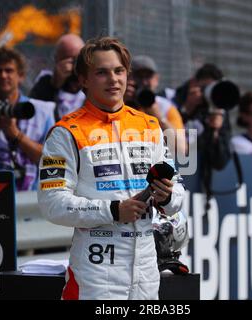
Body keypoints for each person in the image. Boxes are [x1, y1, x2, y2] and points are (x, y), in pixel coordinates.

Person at [37, 37, 185, 300]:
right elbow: (52, 203)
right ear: (83, 79)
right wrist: (114, 210)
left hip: (146, 271)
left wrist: (168, 196)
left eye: (119, 71)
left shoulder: (149, 126)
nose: (113, 79)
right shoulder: (65, 132)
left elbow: (178, 193)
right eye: (102, 73)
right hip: (95, 275)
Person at [0, 47, 55, 191]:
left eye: (9, 70)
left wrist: (16, 134)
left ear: (21, 76)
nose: (3, 75)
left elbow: (52, 160)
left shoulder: (41, 111)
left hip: (31, 200)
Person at [124, 55, 186, 156]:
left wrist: (159, 117)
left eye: (148, 77)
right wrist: (121, 102)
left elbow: (181, 150)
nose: (143, 82)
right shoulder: (116, 104)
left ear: (156, 79)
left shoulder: (165, 107)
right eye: (138, 76)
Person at [30, 34, 85, 120]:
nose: (72, 65)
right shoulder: (45, 82)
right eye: (67, 59)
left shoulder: (92, 81)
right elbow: (35, 112)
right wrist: (54, 84)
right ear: (56, 59)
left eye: (77, 59)